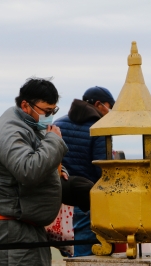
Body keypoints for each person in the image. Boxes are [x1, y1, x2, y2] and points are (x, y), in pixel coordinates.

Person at [0, 78, 68, 266]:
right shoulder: (10, 131)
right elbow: (28, 169)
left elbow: (38, 156)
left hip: (22, 225)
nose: (49, 116)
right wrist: (53, 141)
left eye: (53, 110)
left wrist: (59, 170)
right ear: (25, 105)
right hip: (10, 230)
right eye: (46, 110)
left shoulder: (27, 123)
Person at [54, 86, 115, 256]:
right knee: (85, 254)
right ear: (98, 104)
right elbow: (103, 169)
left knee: (70, 251)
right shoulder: (99, 129)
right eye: (110, 106)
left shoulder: (58, 124)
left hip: (59, 199)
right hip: (87, 200)